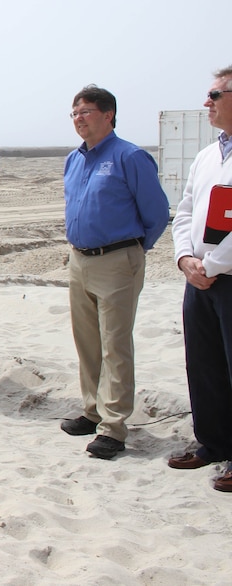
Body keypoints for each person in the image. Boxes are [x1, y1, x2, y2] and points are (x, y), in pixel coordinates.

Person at [62, 84, 168, 460]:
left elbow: (156, 214)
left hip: (117, 261)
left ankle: (113, 427)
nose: (78, 119)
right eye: (74, 113)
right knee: (87, 342)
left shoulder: (129, 157)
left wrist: (132, 252)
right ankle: (92, 410)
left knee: (115, 345)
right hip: (79, 261)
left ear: (108, 115)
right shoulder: (74, 160)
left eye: (86, 111)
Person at [171, 65, 232, 489]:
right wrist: (185, 259)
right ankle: (212, 442)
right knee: (204, 364)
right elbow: (186, 210)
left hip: (223, 276)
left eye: (215, 95)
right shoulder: (207, 155)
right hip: (199, 280)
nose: (206, 103)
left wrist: (211, 266)